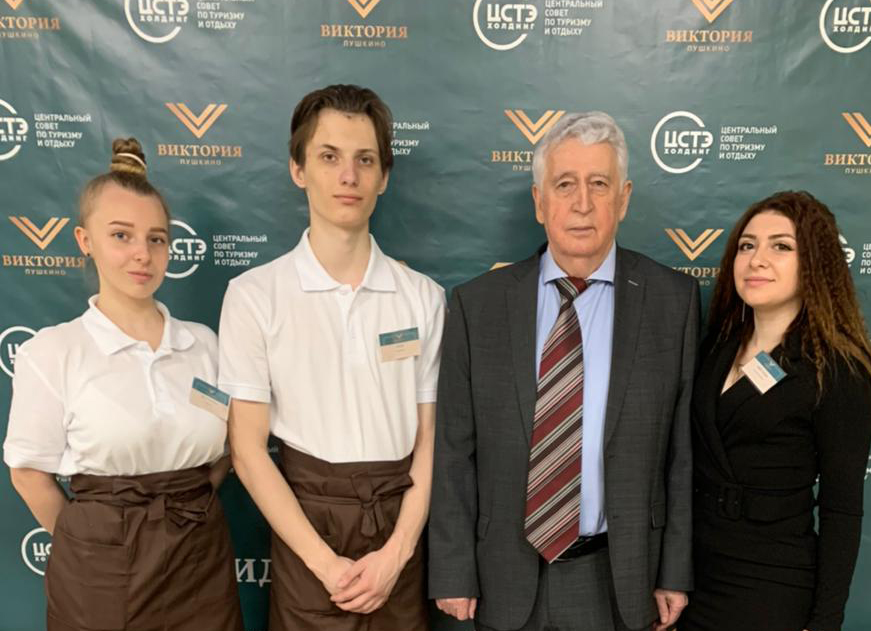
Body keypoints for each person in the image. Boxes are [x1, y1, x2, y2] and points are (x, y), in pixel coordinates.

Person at [429, 111, 699, 631]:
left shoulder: (672, 301)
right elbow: (454, 451)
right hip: (503, 578)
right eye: (564, 184)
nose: (582, 203)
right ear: (539, 201)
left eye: (599, 184)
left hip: (620, 578)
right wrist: (453, 570)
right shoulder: (476, 306)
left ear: (623, 198)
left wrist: (674, 571)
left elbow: (682, 454)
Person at [218, 84, 444, 631]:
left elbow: (430, 439)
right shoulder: (254, 296)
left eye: (365, 160)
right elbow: (247, 450)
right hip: (307, 541)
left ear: (383, 176)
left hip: (399, 538)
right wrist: (325, 565)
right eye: (329, 157)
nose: (349, 176)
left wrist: (396, 554)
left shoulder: (424, 297)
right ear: (298, 169)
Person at [3, 138, 243, 631]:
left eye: (156, 239)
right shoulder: (53, 351)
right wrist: (94, 542)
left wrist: (182, 503)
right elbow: (27, 472)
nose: (142, 254)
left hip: (200, 558)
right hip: (100, 569)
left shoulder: (203, 345)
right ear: (84, 240)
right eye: (121, 235)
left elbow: (227, 452)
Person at [681, 191, 871, 631]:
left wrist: (825, 621)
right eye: (747, 245)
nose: (757, 259)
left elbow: (842, 509)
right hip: (696, 581)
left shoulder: (837, 372)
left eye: (781, 246)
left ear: (815, 264)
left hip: (771, 589)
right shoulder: (715, 347)